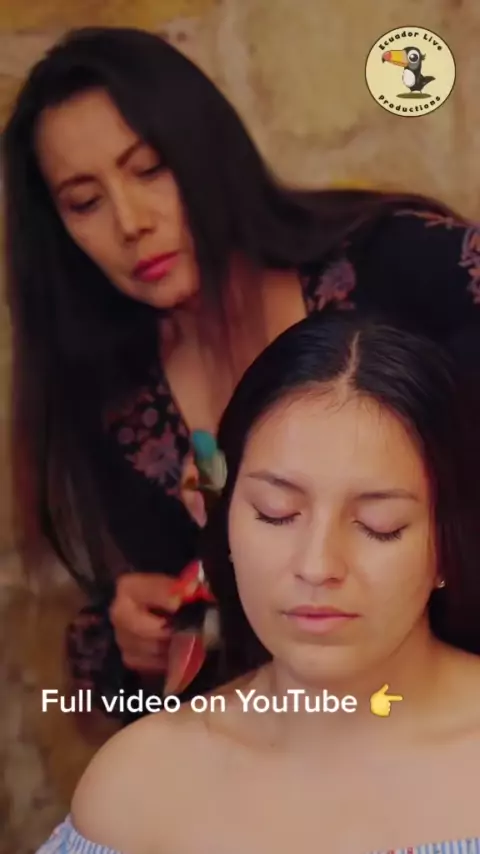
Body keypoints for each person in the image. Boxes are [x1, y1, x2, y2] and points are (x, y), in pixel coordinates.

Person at [3, 25, 480, 723]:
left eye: (149, 169)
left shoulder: (403, 266)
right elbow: (190, 643)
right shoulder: (116, 405)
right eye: (85, 202)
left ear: (206, 155)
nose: (130, 223)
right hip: (312, 737)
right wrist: (134, 633)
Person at [35, 311, 480, 853]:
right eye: (276, 513)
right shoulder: (138, 791)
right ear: (224, 519)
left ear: (447, 542)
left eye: (378, 525)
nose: (317, 565)